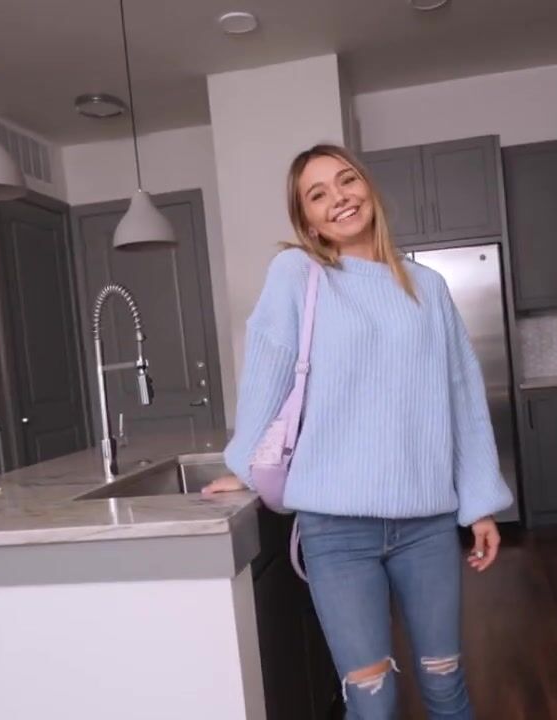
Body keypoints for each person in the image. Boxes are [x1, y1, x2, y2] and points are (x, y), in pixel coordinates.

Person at [203, 143, 513, 719]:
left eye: (347, 181)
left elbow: (462, 398)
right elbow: (267, 376)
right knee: (373, 704)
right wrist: (245, 464)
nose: (339, 198)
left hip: (427, 525)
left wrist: (480, 506)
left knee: (446, 688)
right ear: (308, 221)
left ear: (367, 187)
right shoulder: (298, 274)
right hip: (336, 530)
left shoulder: (427, 286)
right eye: (318, 195)